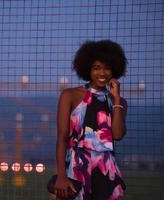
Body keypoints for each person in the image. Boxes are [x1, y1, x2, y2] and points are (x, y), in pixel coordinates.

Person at [55, 40, 127, 200]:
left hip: (107, 171)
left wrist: (116, 100)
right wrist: (61, 175)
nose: (102, 73)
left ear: (114, 69)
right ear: (87, 68)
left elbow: (117, 135)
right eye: (96, 68)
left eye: (107, 68)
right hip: (76, 168)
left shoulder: (119, 102)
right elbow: (62, 138)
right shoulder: (70, 95)